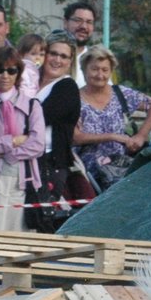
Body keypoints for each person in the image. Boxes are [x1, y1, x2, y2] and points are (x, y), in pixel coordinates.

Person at [0, 47, 46, 232]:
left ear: (18, 73)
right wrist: (14, 141)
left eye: (11, 70)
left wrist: (10, 155)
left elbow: (37, 145)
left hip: (21, 180)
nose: (5, 75)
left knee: (14, 238)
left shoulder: (32, 104)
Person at [31, 32, 96, 233]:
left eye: (64, 56)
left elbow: (39, 118)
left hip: (50, 163)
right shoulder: (28, 81)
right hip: (21, 159)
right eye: (53, 53)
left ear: (70, 62)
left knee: (43, 220)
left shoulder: (66, 87)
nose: (57, 60)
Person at [75, 46, 151, 191]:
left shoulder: (121, 93)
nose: (100, 75)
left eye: (105, 70)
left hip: (120, 174)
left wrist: (140, 136)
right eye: (94, 69)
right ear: (83, 70)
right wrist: (112, 136)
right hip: (87, 176)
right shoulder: (74, 98)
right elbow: (75, 138)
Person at [62, 0, 98, 88]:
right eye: (78, 20)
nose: (84, 26)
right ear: (65, 23)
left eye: (89, 22)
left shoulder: (97, 61)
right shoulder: (47, 56)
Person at [15, 32, 46, 97]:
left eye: (42, 55)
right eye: (33, 54)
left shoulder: (34, 70)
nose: (38, 58)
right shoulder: (24, 70)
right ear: (21, 54)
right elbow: (25, 89)